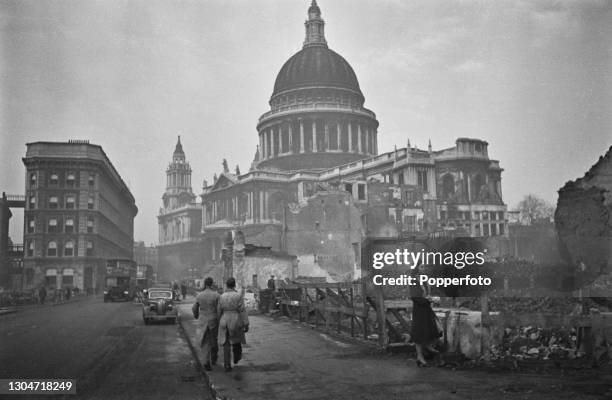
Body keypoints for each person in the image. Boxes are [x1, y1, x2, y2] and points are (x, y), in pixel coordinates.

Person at [410, 267, 442, 367]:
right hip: (419, 309)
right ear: (417, 268)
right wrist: (430, 300)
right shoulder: (413, 280)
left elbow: (428, 294)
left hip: (427, 308)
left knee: (435, 328)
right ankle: (420, 356)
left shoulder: (424, 279)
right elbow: (415, 297)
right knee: (419, 332)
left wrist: (434, 298)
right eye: (421, 266)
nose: (423, 268)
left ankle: (428, 346)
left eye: (424, 267)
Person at [217, 277, 249, 372]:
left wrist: (220, 320)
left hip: (224, 319)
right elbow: (242, 310)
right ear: (234, 285)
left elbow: (219, 311)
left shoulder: (221, 296)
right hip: (236, 319)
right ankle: (236, 357)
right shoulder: (238, 296)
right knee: (237, 340)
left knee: (226, 343)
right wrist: (246, 323)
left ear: (227, 285)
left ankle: (227, 364)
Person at [192, 277, 220, 371]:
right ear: (212, 284)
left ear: (205, 284)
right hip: (213, 320)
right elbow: (219, 309)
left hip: (203, 320)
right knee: (214, 339)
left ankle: (206, 361)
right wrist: (219, 319)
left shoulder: (199, 295)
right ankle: (214, 357)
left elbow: (194, 308)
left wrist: (196, 316)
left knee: (205, 341)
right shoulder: (216, 295)